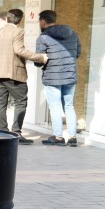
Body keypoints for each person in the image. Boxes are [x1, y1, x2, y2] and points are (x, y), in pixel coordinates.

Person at [0, 8, 47, 143]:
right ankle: (16, 132)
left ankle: (1, 132)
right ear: (20, 20)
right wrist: (39, 57)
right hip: (13, 73)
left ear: (7, 18)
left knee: (0, 103)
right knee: (21, 101)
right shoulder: (18, 31)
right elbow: (19, 50)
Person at [36, 9, 82, 146]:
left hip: (53, 77)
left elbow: (39, 61)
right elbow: (78, 53)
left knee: (55, 107)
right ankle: (73, 137)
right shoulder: (72, 33)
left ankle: (58, 137)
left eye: (40, 22)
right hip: (69, 76)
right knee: (69, 105)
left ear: (43, 22)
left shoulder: (43, 37)